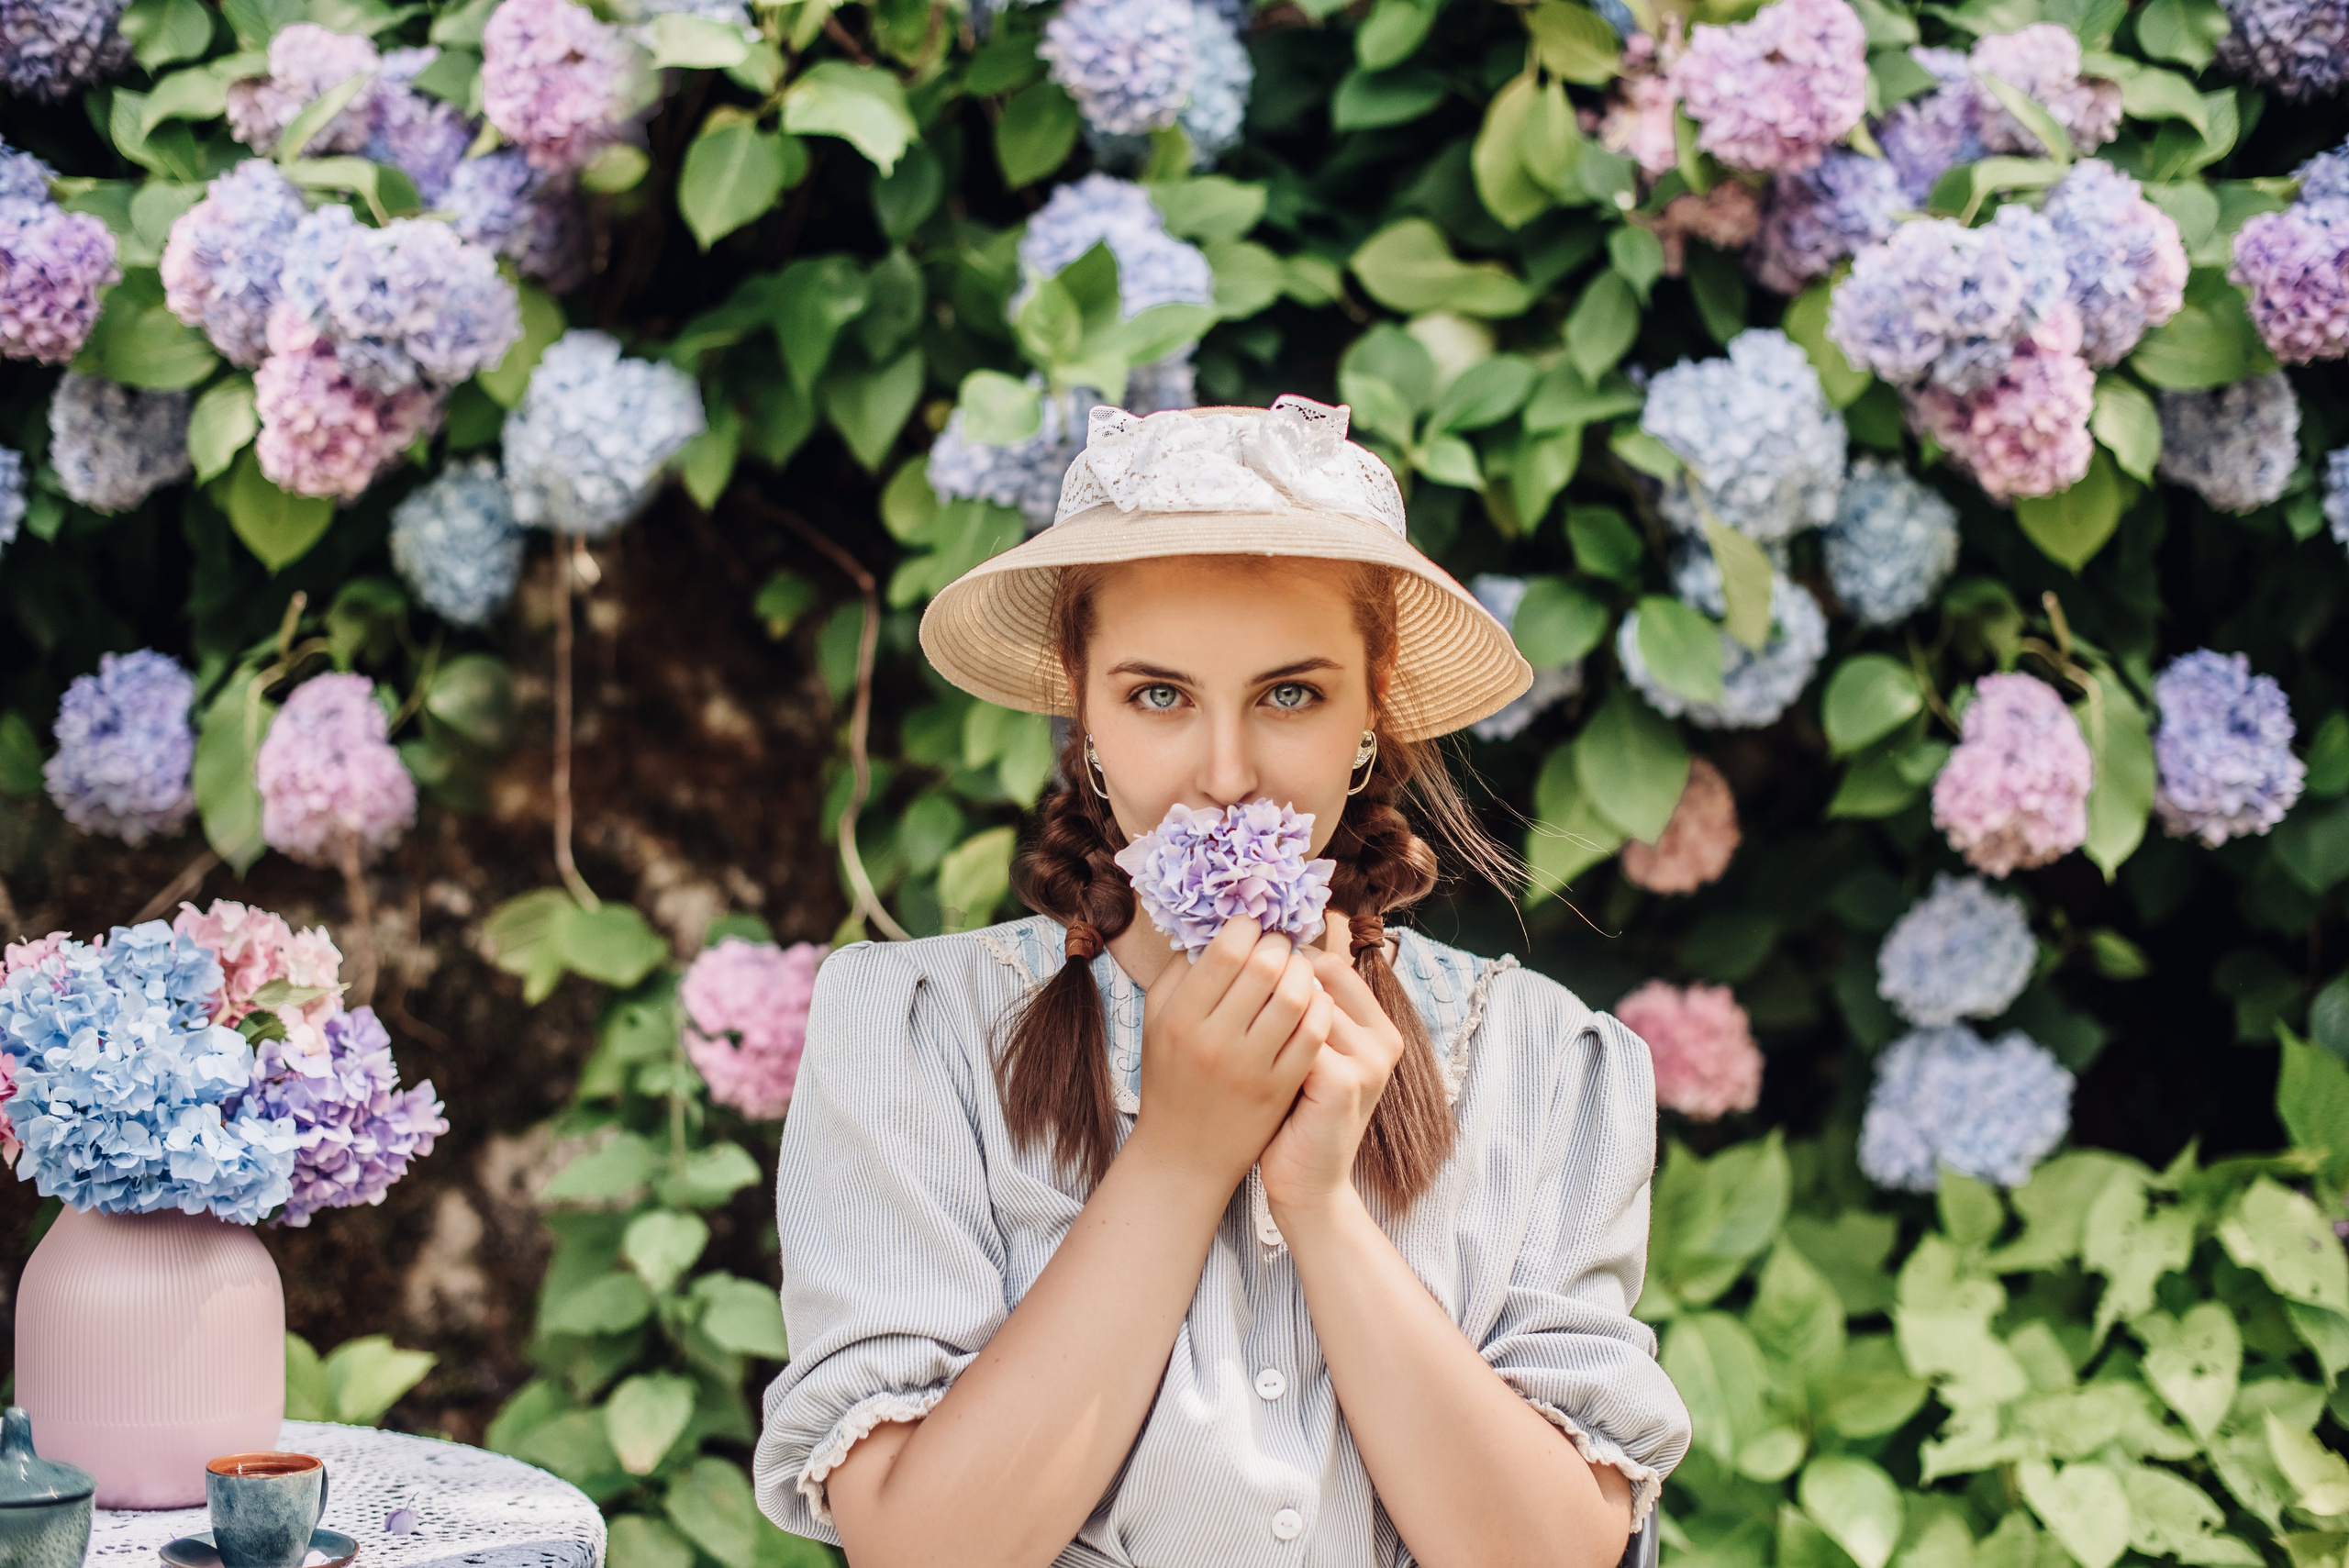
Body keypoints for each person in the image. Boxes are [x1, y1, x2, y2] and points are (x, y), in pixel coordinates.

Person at [751, 396, 1692, 1567]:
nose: (1228, 772)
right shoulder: (918, 1034)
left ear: (1370, 703)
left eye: (1290, 693)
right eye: (1158, 695)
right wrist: (1186, 1151)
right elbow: (920, 1548)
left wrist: (1322, 1207)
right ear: (1080, 702)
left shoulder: (1539, 1060)